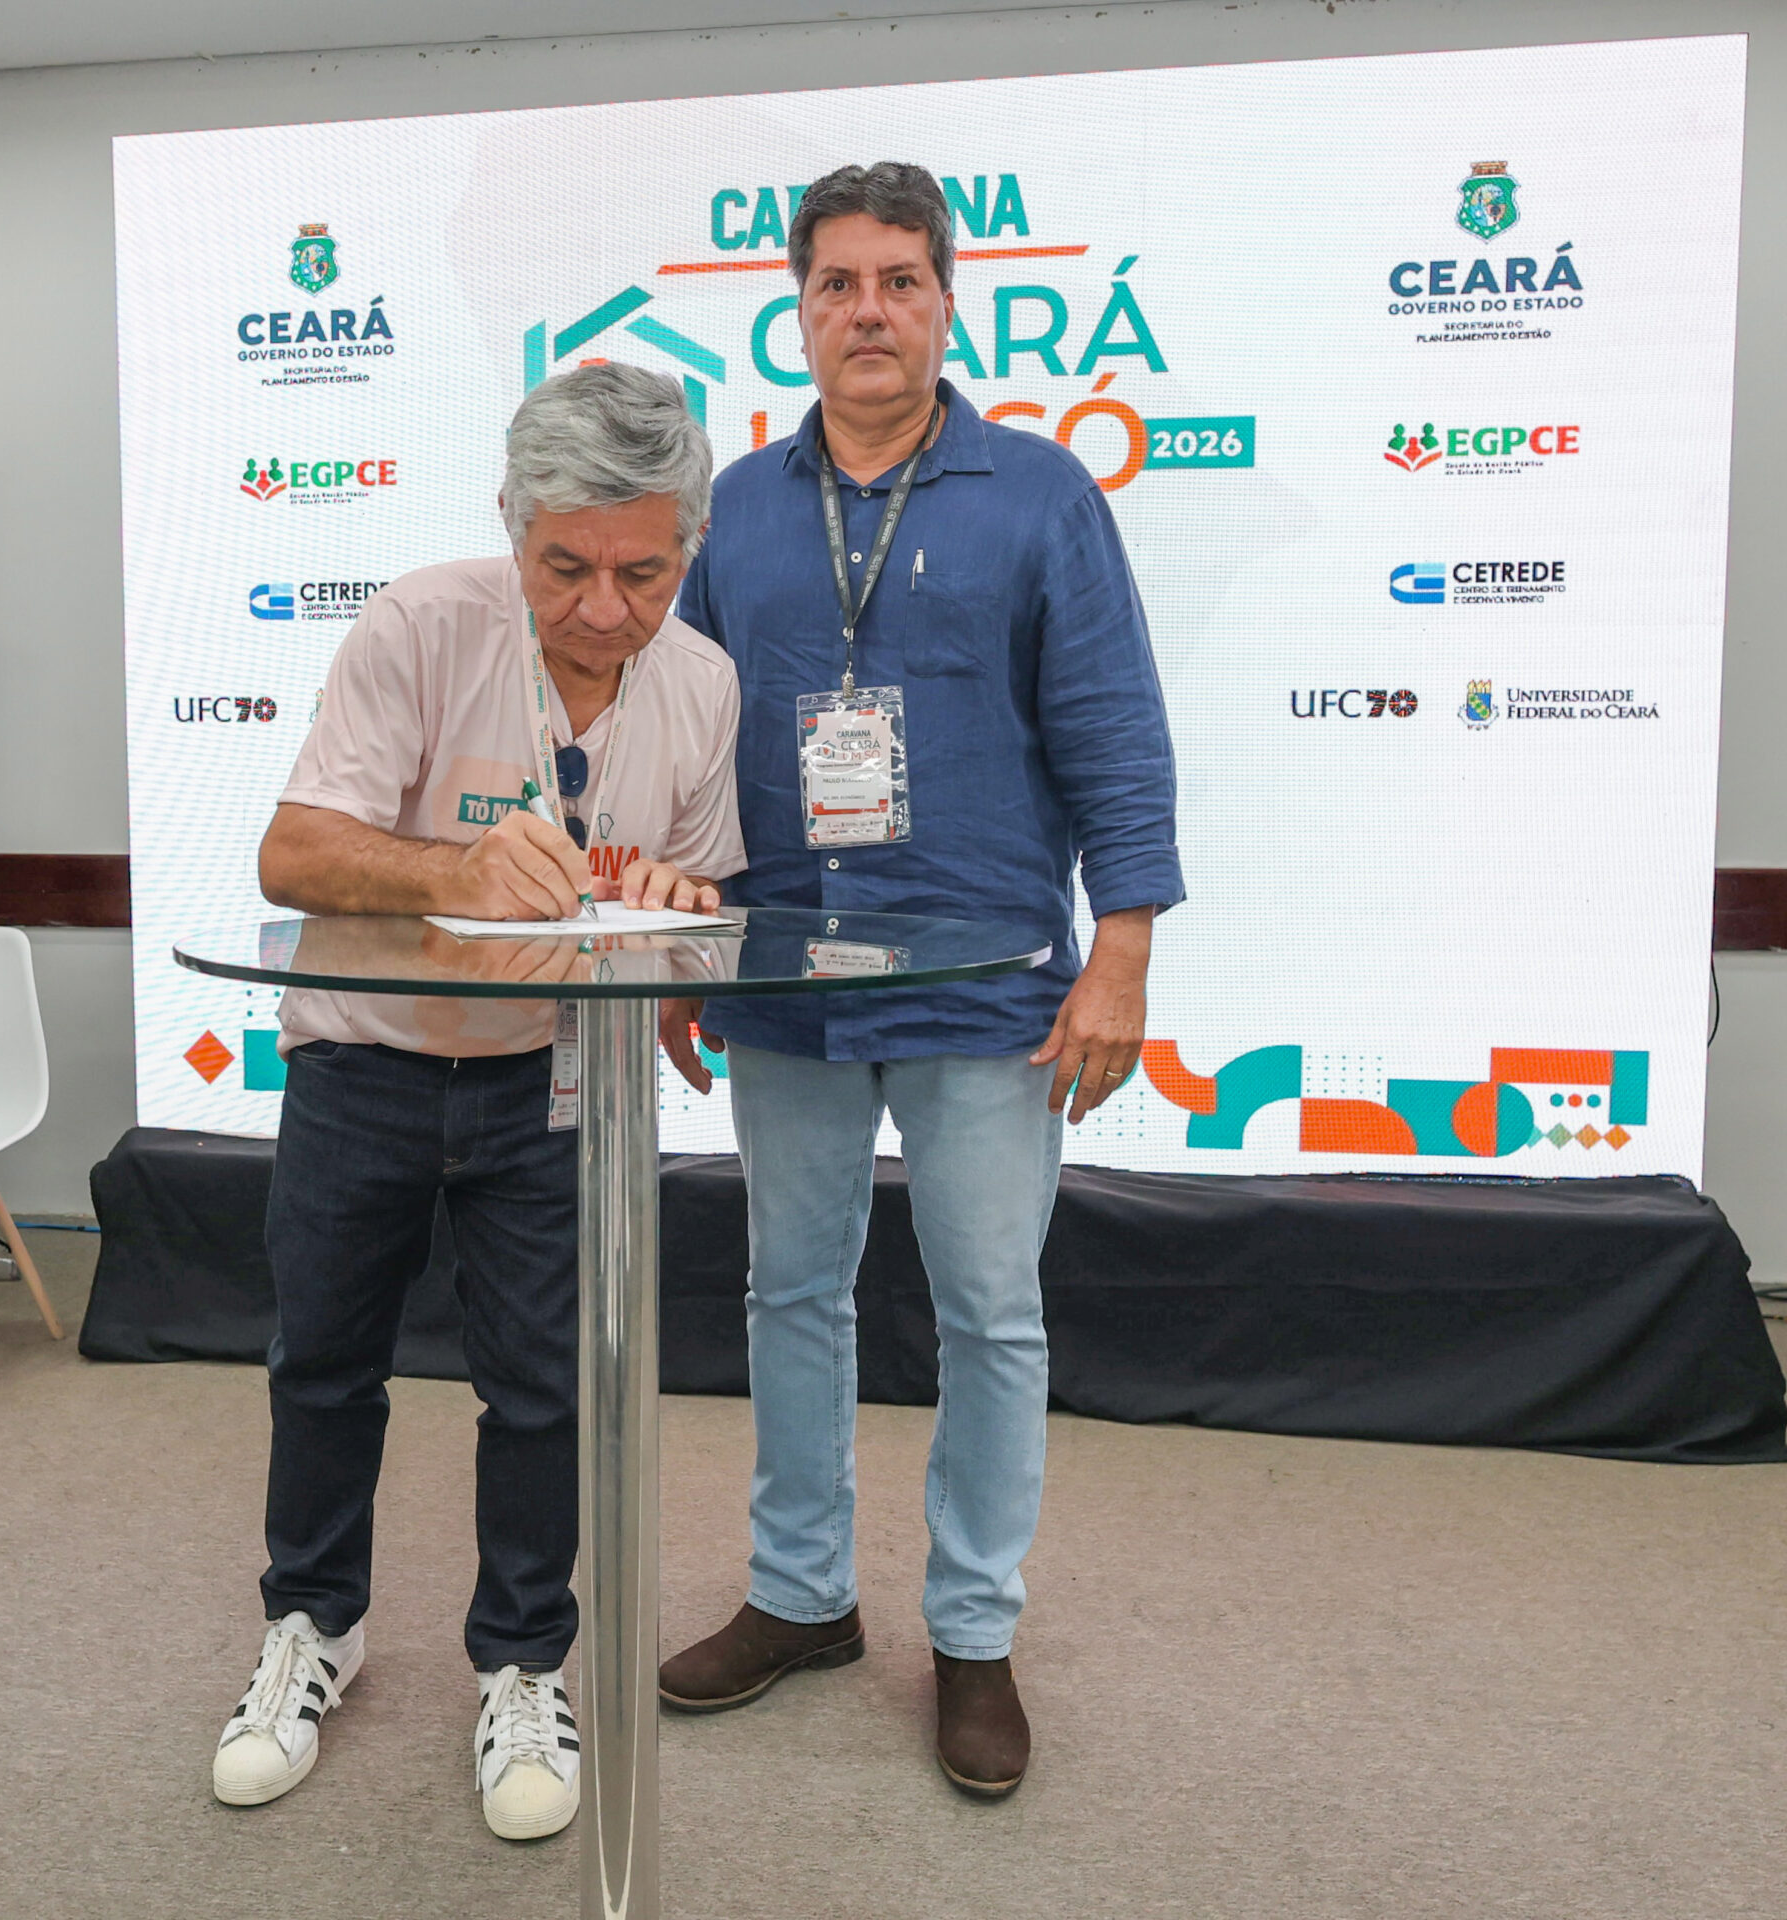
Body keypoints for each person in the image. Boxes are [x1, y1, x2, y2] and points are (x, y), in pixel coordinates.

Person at [638, 162, 1183, 1798]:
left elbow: (1114, 731)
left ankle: (973, 1634)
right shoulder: (736, 507)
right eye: (836, 285)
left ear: (948, 302)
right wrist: (681, 946)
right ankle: (802, 1596)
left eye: (898, 281)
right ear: (797, 313)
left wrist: (1123, 951)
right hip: (783, 976)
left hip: (987, 981)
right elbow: (691, 740)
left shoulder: (1042, 496)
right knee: (790, 1294)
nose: (866, 311)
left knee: (991, 1314)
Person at [213, 363, 744, 1839]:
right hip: (365, 1058)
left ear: (688, 549)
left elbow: (704, 912)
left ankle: (525, 1663)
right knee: (324, 1363)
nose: (603, 609)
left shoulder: (704, 684)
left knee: (544, 1388)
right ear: (512, 524)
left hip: (554, 1080)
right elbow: (293, 853)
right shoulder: (422, 623)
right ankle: (312, 1628)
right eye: (565, 567)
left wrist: (674, 914)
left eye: (643, 574)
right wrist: (456, 871)